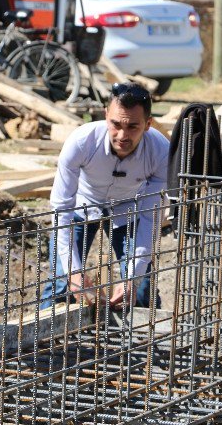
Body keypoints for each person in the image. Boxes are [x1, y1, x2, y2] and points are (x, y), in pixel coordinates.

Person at [40, 82, 168, 310]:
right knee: (61, 284)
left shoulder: (160, 152)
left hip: (130, 208)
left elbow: (151, 218)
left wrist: (132, 278)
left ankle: (145, 342)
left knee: (140, 291)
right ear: (105, 115)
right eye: (115, 124)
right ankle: (44, 343)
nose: (122, 135)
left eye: (132, 127)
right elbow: (61, 210)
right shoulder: (81, 142)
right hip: (82, 205)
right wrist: (74, 272)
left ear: (148, 124)